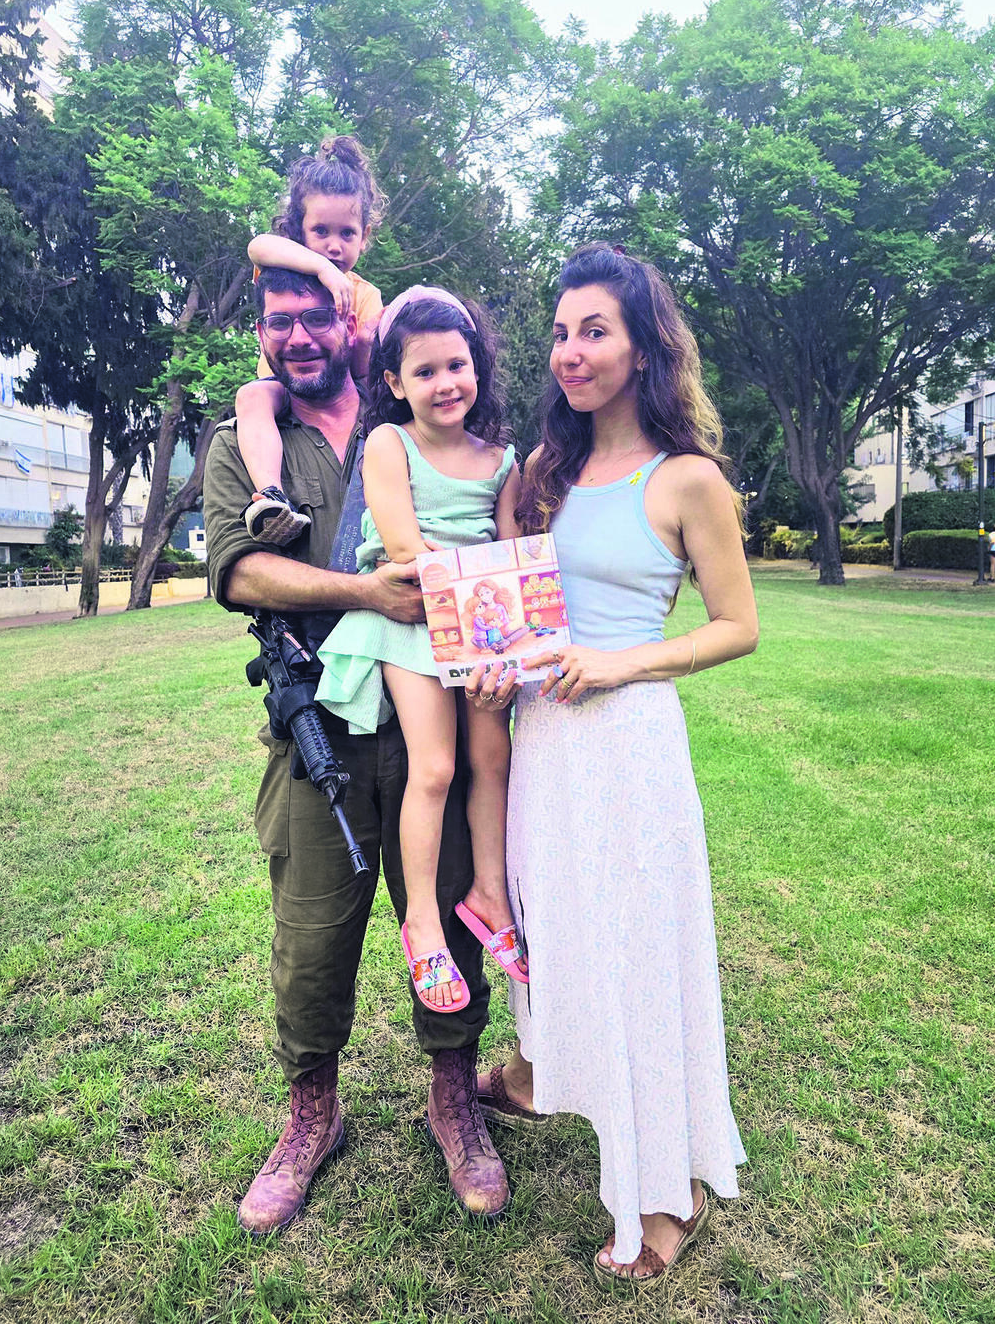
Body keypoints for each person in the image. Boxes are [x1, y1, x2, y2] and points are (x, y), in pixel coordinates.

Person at [465, 244, 759, 1284]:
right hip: (542, 746)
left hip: (630, 746)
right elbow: (503, 612)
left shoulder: (688, 479)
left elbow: (736, 627)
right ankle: (543, 1071)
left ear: (642, 348)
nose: (570, 351)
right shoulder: (537, 476)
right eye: (558, 331)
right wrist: (494, 672)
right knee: (559, 933)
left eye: (594, 329)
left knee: (639, 953)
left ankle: (663, 1194)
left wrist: (618, 661)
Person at [203, 266, 511, 1235]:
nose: (296, 336)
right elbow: (241, 569)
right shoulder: (243, 445)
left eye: (313, 316)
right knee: (310, 939)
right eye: (276, 321)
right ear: (262, 333)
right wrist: (365, 593)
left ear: (350, 324)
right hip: (321, 728)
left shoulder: (412, 414)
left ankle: (453, 1096)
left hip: (435, 711)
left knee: (453, 906)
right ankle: (311, 1116)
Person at [316, 287, 528, 1015]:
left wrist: (509, 629)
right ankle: (423, 923)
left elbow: (510, 548)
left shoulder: (504, 460)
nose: (446, 384)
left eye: (457, 366)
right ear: (395, 383)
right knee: (435, 768)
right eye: (427, 371)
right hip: (413, 614)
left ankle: (489, 894)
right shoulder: (388, 443)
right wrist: (480, 590)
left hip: (486, 625)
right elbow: (404, 546)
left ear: (479, 370)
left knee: (492, 761)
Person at [237, 137, 386, 546]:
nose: (334, 245)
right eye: (320, 231)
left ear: (364, 235)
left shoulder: (364, 292)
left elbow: (360, 370)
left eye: (347, 233)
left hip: (336, 394)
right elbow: (256, 245)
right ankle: (270, 494)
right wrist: (321, 268)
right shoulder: (283, 272)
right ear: (298, 230)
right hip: (283, 388)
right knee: (251, 399)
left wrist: (370, 341)